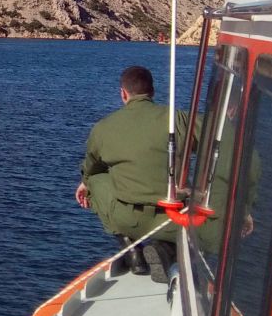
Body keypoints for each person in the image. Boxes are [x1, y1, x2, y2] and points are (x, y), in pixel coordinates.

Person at [74, 65, 187, 282]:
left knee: (95, 179)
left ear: (123, 93)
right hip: (172, 217)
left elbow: (91, 168)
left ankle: (131, 247)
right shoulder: (178, 120)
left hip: (129, 218)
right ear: (152, 92)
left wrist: (85, 184)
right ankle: (165, 247)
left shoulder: (104, 127)